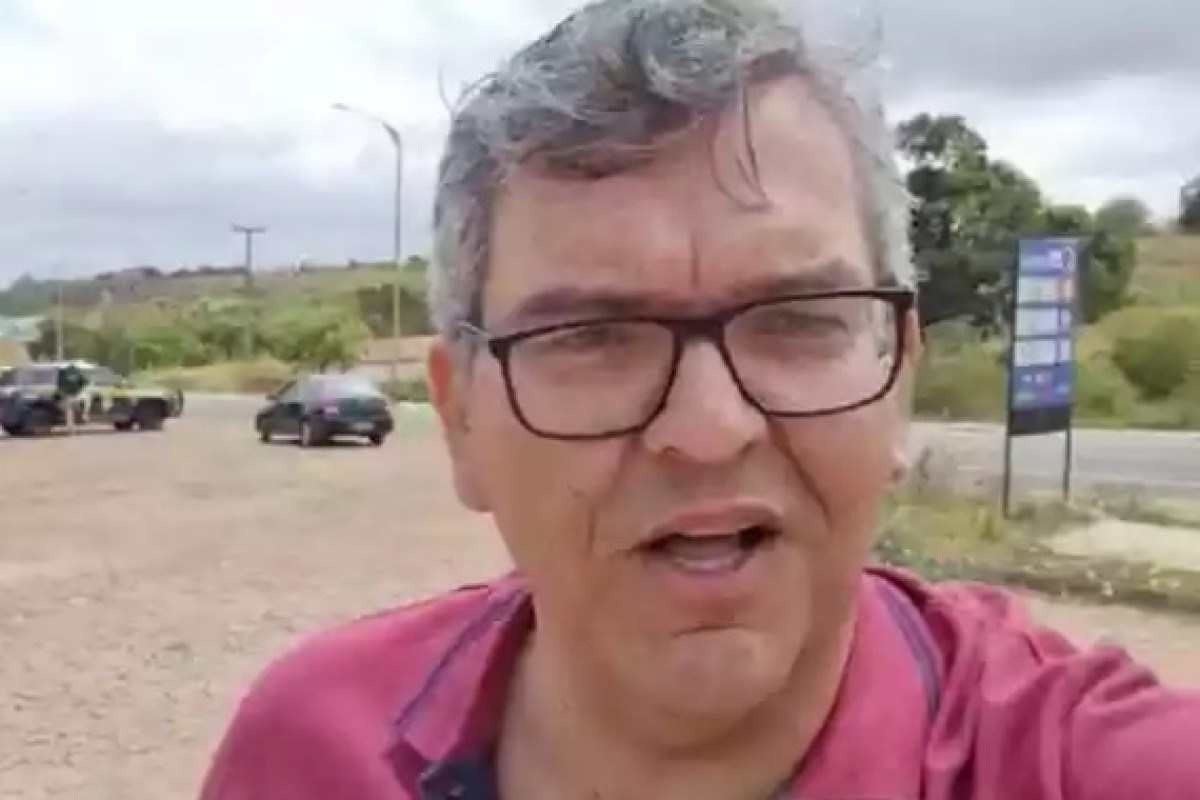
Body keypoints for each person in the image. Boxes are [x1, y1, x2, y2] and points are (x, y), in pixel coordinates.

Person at [199, 1, 1200, 797]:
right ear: (462, 418)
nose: (710, 429)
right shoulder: (313, 754)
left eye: (797, 320)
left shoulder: (1081, 765)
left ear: (897, 371)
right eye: (590, 336)